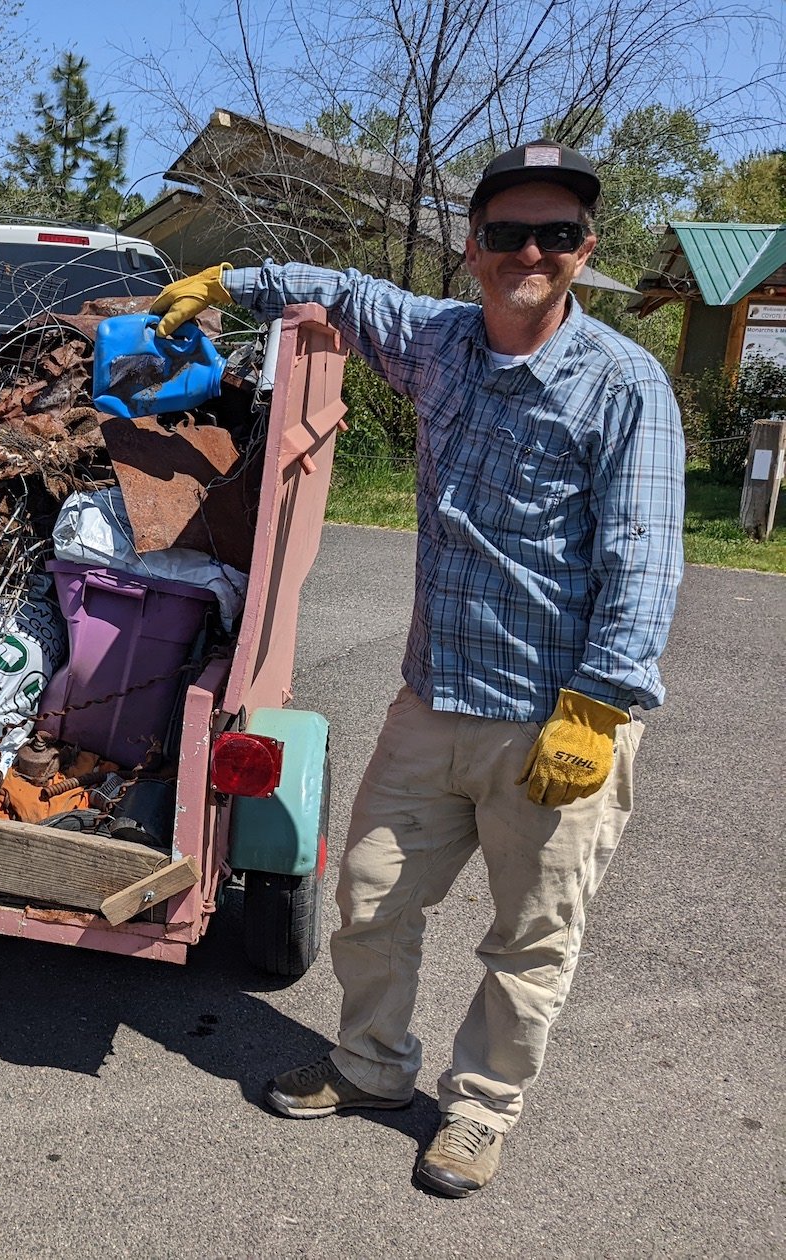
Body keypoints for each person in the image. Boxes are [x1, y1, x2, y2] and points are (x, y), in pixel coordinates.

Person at [151, 140, 684, 1197]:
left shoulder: (624, 386)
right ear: (473, 250)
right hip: (434, 697)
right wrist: (228, 283)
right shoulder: (440, 341)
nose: (530, 251)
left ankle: (481, 1111)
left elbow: (644, 556)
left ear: (586, 249)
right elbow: (347, 293)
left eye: (558, 234)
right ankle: (371, 1066)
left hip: (556, 718)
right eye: (507, 233)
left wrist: (603, 703)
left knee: (531, 939)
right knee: (372, 894)